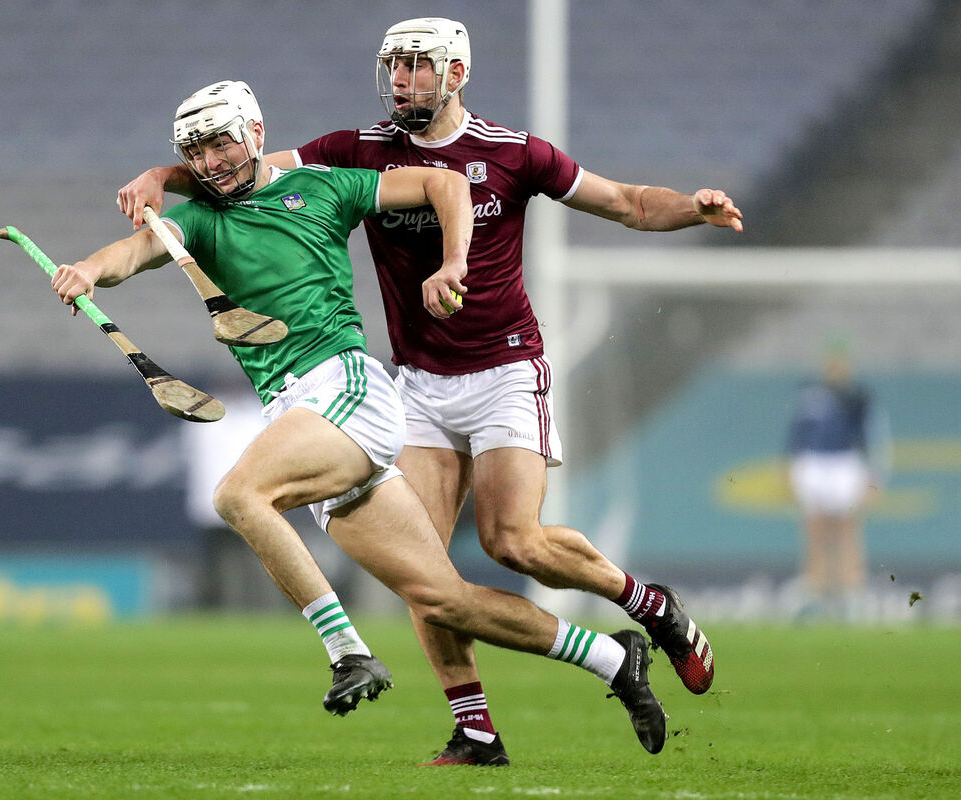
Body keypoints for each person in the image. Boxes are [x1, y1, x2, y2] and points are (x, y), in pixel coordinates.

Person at [117, 18, 738, 765]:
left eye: (416, 65)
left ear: (456, 72)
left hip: (506, 367)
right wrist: (162, 176)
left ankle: (647, 605)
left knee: (514, 541)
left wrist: (692, 209)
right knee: (429, 578)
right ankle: (476, 728)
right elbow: (249, 167)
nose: (402, 79)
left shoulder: (515, 152)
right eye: (394, 66)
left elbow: (629, 203)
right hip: (416, 382)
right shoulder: (358, 150)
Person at [786, 335, 883, 620]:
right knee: (815, 529)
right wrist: (790, 470)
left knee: (847, 528)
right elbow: (796, 437)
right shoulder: (808, 395)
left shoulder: (857, 398)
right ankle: (815, 591)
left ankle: (851, 590)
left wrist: (872, 478)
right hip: (814, 463)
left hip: (844, 463)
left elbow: (870, 439)